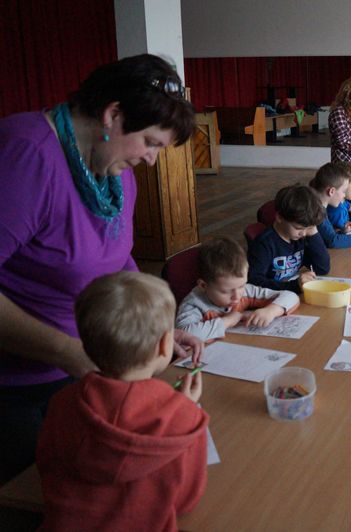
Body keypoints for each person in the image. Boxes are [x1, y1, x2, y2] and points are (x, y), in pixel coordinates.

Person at [0, 54, 203, 483]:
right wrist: (69, 352)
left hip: (85, 370)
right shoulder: (26, 154)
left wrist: (153, 325)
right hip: (17, 387)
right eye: (151, 142)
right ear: (112, 114)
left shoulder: (113, 168)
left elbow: (116, 262)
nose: (152, 160)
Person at [36, 271, 208, 530]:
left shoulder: (61, 402)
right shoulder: (187, 418)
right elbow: (186, 502)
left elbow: (47, 469)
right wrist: (183, 408)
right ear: (165, 346)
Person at [176, 238, 300, 342]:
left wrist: (272, 310)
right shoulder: (194, 304)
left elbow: (290, 296)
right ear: (203, 286)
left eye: (241, 286)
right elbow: (182, 336)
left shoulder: (244, 291)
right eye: (226, 291)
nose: (237, 296)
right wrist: (229, 320)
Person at [247, 184, 330, 293]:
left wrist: (313, 232)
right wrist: (294, 286)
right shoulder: (264, 244)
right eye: (299, 228)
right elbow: (254, 281)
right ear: (280, 217)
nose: (304, 233)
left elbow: (322, 268)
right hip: (269, 297)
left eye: (308, 228)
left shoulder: (300, 237)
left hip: (288, 292)